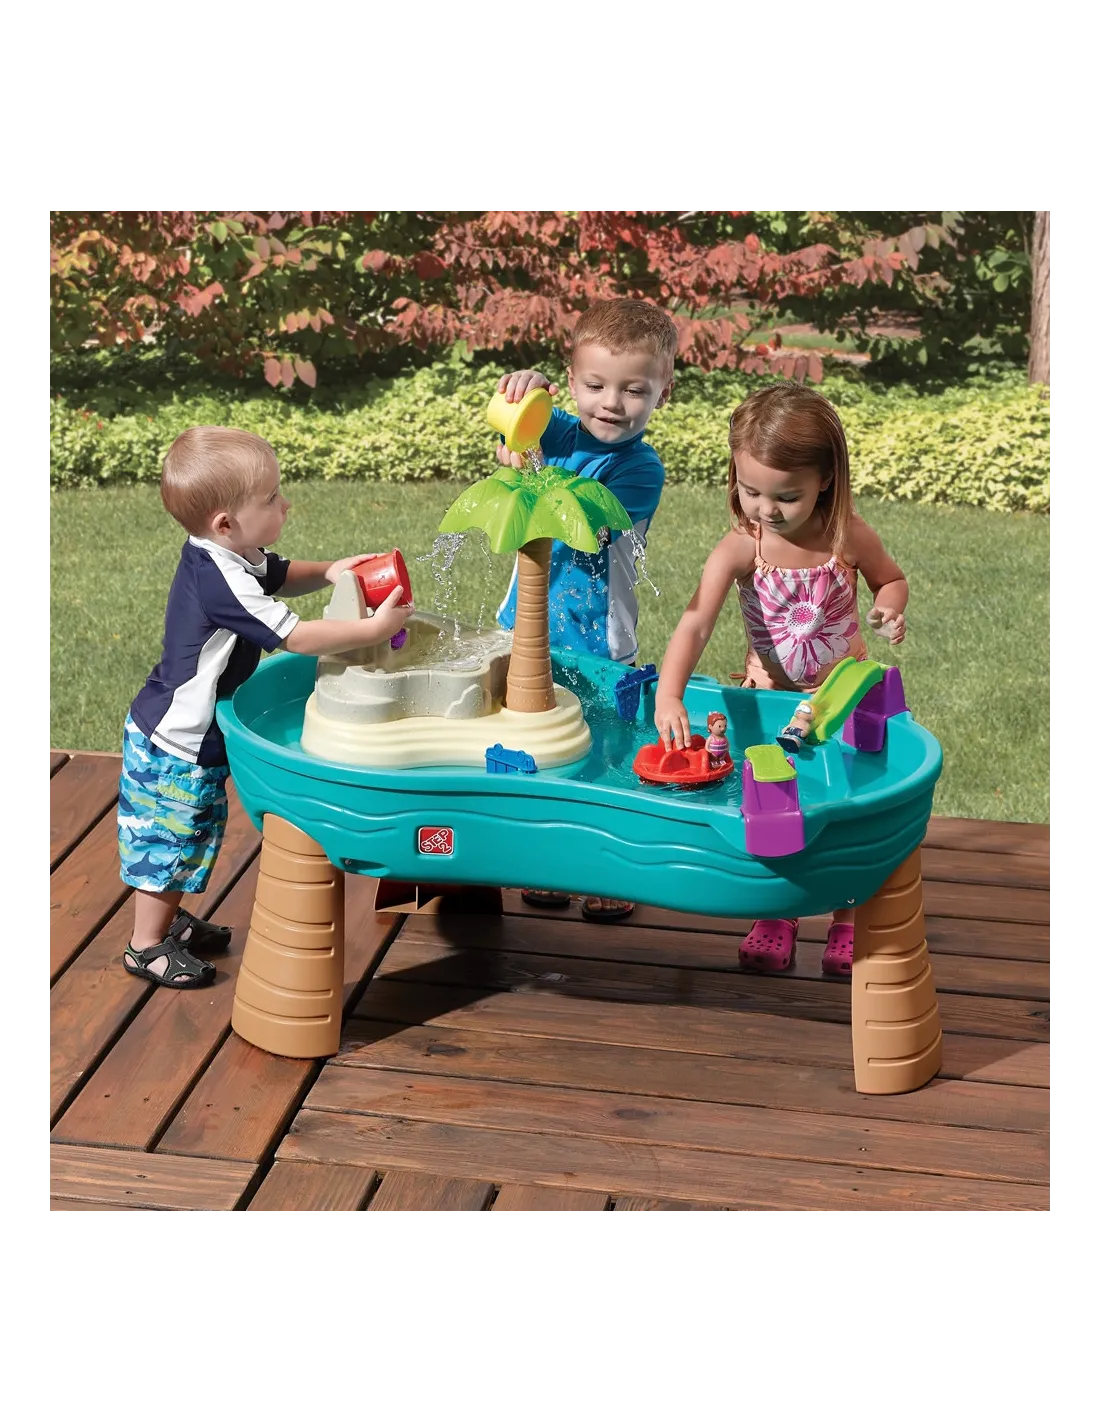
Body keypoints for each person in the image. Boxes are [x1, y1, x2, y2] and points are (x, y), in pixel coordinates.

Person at [118, 426, 411, 989]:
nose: (286, 503)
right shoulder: (219, 580)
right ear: (225, 523)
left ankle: (167, 921)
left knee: (192, 833)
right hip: (174, 741)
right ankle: (145, 944)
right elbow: (295, 636)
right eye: (272, 497)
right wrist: (372, 630)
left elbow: (279, 574)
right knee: (169, 841)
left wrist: (329, 570)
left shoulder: (230, 554)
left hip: (187, 733)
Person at [654, 382, 908, 976]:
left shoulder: (847, 536)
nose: (766, 509)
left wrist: (888, 609)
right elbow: (695, 622)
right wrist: (669, 693)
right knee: (776, 807)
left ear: (826, 479)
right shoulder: (743, 547)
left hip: (843, 702)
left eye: (786, 496)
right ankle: (780, 910)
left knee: (846, 808)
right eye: (750, 491)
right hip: (771, 704)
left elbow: (890, 579)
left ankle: (849, 915)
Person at [495, 297, 677, 924]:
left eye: (634, 390)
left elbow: (577, 520)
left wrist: (525, 470)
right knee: (531, 750)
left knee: (602, 755)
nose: (611, 403)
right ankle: (548, 861)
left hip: (600, 642)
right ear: (572, 382)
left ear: (663, 393)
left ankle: (605, 867)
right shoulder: (560, 430)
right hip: (522, 627)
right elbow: (517, 422)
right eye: (595, 386)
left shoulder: (641, 469)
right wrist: (526, 394)